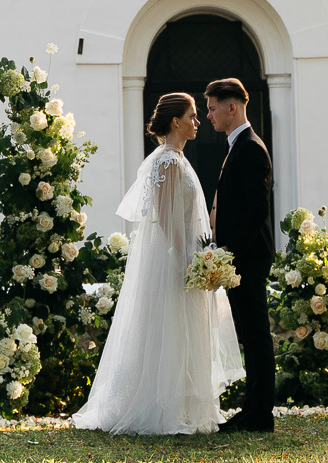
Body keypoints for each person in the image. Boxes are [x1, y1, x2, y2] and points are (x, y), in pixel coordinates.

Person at [73, 92, 243, 435]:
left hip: (187, 256)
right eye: (193, 116)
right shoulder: (166, 161)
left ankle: (184, 404)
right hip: (174, 260)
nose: (198, 121)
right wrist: (189, 259)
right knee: (170, 328)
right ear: (176, 121)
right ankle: (159, 406)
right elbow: (165, 218)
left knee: (183, 331)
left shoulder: (177, 159)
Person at [206, 77, 276, 433]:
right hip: (241, 257)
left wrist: (230, 251)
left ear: (231, 107)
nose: (208, 115)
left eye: (213, 107)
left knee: (257, 333)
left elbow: (257, 210)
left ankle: (260, 413)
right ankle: (254, 409)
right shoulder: (239, 145)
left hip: (248, 258)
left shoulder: (249, 147)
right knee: (251, 333)